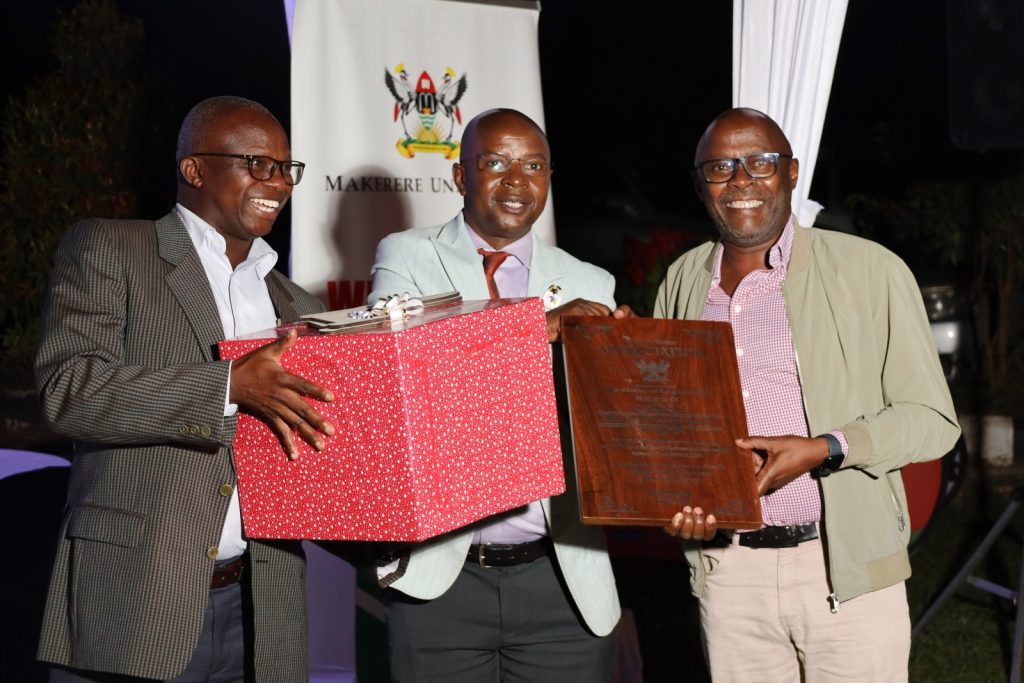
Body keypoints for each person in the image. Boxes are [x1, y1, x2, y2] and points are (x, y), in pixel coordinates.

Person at [35, 95, 335, 682]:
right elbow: (68, 390)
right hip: (135, 600)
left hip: (261, 605)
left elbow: (315, 450)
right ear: (195, 169)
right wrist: (228, 385)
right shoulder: (114, 249)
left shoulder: (297, 304)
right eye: (256, 162)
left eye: (284, 168)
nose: (275, 181)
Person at [657, 107, 961, 682]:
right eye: (721, 167)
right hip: (730, 575)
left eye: (761, 162)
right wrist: (679, 506)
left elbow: (932, 420)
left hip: (841, 572)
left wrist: (826, 447)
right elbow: (671, 429)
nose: (742, 179)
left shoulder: (868, 270)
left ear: (791, 173)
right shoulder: (682, 280)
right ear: (700, 185)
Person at [369, 108, 626, 682]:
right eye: (497, 163)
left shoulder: (591, 282)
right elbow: (401, 370)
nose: (517, 180)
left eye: (533, 165)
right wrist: (538, 326)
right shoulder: (405, 255)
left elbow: (608, 428)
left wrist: (632, 362)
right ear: (461, 177)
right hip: (442, 584)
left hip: (562, 583)